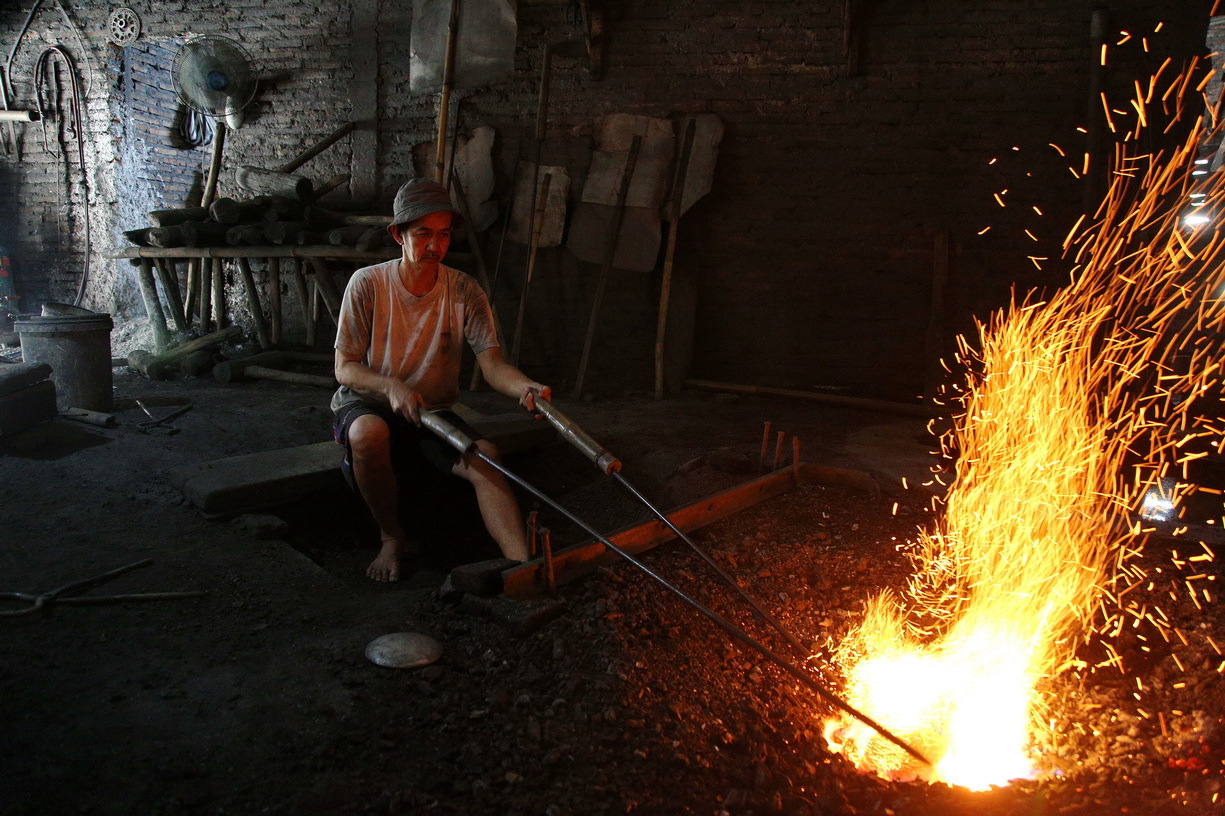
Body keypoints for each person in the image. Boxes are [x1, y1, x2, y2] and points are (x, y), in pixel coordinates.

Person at [331, 177, 550, 582]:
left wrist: (525, 387)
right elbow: (345, 368)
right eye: (423, 234)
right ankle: (391, 538)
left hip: (431, 410)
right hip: (371, 401)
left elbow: (493, 365)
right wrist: (390, 386)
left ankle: (525, 569)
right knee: (367, 434)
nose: (436, 245)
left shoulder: (465, 290)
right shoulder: (368, 284)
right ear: (398, 235)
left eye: (444, 234)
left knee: (485, 455)